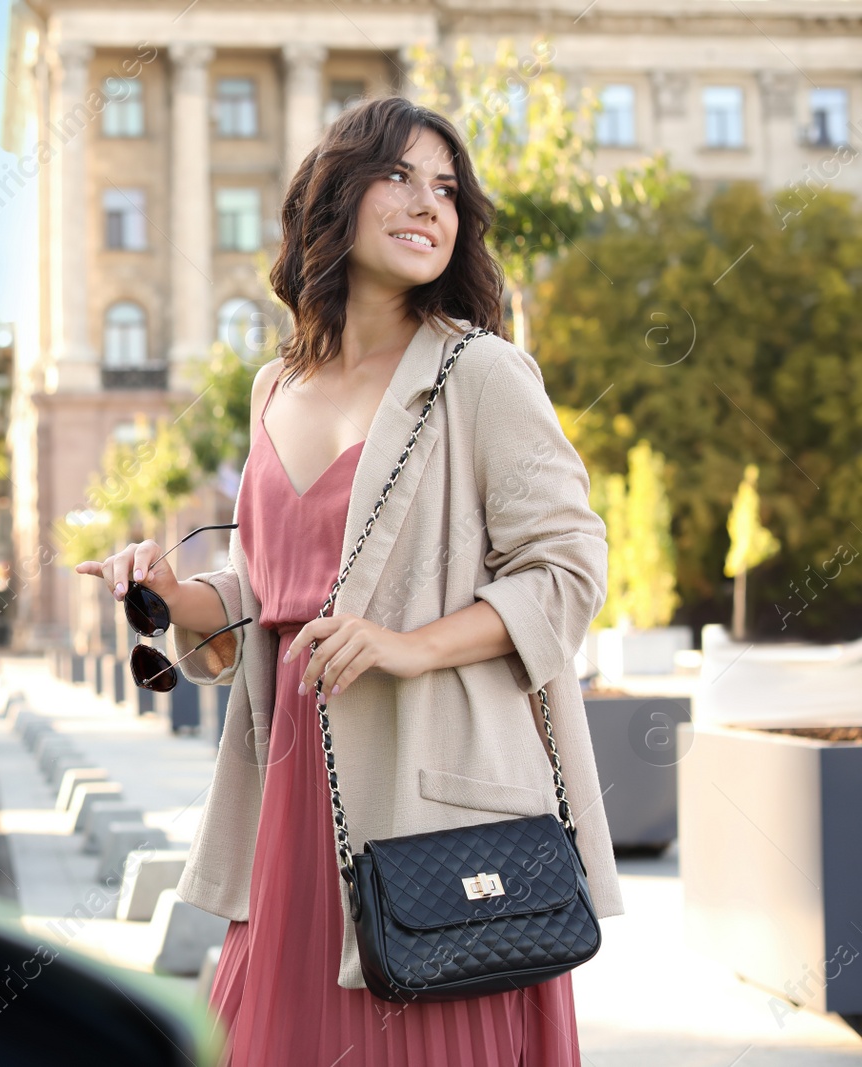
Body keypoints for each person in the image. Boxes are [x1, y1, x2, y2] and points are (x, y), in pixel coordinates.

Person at [75, 96, 623, 1065]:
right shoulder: (273, 385)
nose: (428, 206)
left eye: (446, 188)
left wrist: (407, 643)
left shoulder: (481, 373)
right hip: (287, 802)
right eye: (399, 177)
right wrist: (172, 590)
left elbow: (569, 568)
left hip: (428, 800)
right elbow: (265, 596)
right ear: (335, 197)